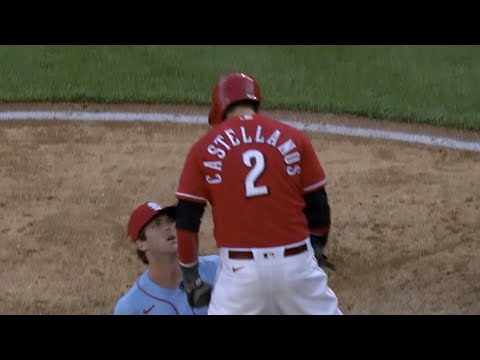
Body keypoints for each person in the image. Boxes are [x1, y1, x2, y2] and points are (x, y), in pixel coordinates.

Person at [174, 72, 342, 315]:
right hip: (296, 265)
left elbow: (186, 221)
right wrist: (315, 246)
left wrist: (191, 277)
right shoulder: (294, 138)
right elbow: (318, 204)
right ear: (255, 102)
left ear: (219, 106)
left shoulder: (203, 148)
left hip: (241, 276)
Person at [113, 201, 219, 315]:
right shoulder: (130, 307)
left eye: (170, 221)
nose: (168, 228)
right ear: (141, 244)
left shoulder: (217, 268)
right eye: (157, 224)